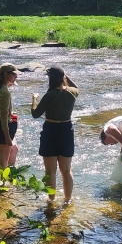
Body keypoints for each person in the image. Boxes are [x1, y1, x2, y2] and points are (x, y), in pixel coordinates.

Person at [31, 66, 79, 203]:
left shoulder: (50, 95)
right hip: (66, 131)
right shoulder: (73, 92)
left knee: (50, 171)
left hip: (51, 130)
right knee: (66, 170)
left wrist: (34, 99)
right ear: (63, 77)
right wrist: (66, 77)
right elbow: (76, 87)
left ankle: (51, 200)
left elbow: (35, 114)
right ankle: (68, 200)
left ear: (50, 78)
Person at [0, 63, 20, 177]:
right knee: (3, 161)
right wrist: (7, 137)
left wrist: (10, 113)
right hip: (2, 128)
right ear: (6, 74)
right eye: (14, 75)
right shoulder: (4, 91)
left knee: (1, 160)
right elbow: (3, 115)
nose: (16, 77)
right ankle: (0, 185)